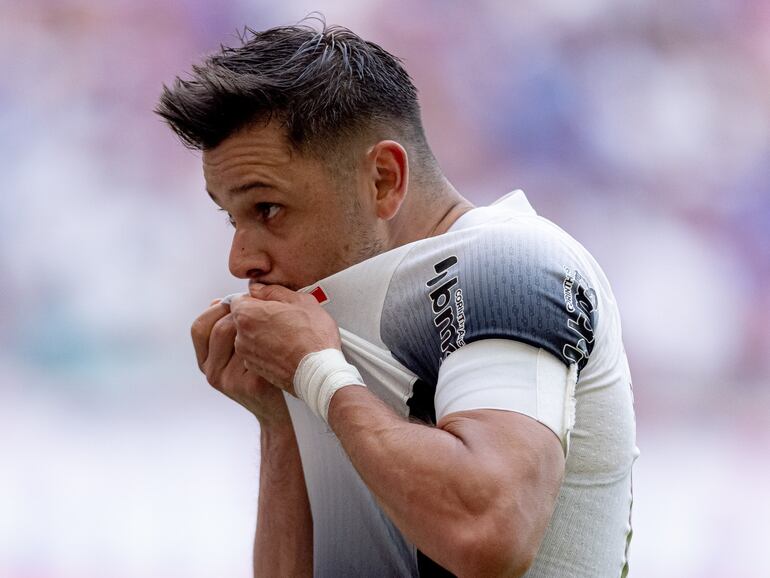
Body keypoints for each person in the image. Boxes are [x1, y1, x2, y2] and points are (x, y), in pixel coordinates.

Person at [156, 22, 638, 578]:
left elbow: (486, 532)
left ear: (383, 179)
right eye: (231, 217)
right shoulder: (331, 335)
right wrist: (280, 422)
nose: (240, 260)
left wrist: (317, 374)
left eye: (267, 208)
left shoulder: (508, 259)